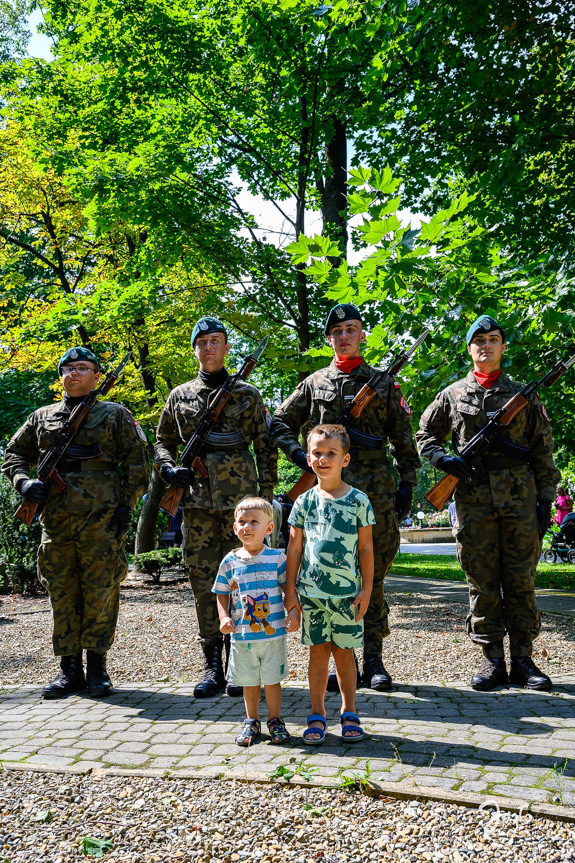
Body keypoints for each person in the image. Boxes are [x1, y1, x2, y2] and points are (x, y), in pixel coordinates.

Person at [270, 303, 419, 691]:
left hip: (375, 490)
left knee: (375, 572)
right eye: (337, 331)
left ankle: (374, 659)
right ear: (329, 339)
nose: (345, 336)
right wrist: (299, 455)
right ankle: (342, 659)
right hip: (324, 495)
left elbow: (404, 439)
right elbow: (278, 422)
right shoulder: (314, 383)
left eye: (352, 329)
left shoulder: (384, 384)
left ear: (362, 334)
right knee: (331, 572)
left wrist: (407, 484)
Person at [417, 315, 560, 691]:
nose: (486, 345)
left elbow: (542, 451)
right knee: (481, 580)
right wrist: (440, 460)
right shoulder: (451, 395)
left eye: (493, 339)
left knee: (521, 580)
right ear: (469, 349)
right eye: (478, 340)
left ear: (503, 347)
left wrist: (545, 499)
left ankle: (524, 660)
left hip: (519, 499)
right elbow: (424, 434)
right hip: (472, 499)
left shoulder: (524, 396)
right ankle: (492, 660)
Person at [2, 347, 149, 698]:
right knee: (62, 593)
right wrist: (24, 483)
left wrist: (126, 505)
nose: (74, 374)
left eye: (83, 368)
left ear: (96, 376)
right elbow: (13, 455)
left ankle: (97, 668)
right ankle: (69, 670)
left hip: (102, 518)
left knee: (101, 591)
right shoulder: (42, 417)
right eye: (67, 368)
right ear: (61, 376)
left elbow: (137, 462)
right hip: (57, 520)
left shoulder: (115, 415)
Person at [155, 317, 277, 698]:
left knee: (248, 582)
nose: (209, 347)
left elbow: (265, 444)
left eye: (216, 341)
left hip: (243, 508)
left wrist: (268, 496)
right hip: (197, 505)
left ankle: (240, 666)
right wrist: (168, 468)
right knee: (205, 583)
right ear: (195, 349)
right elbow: (162, 440)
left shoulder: (247, 394)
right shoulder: (179, 396)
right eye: (202, 341)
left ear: (226, 348)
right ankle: (211, 665)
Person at [285, 424, 374, 744]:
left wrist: (367, 589)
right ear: (308, 458)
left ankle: (350, 711)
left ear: (345, 459)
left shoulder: (359, 501)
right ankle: (317, 714)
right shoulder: (303, 502)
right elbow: (294, 548)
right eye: (317, 453)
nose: (323, 459)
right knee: (318, 654)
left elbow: (365, 548)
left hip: (348, 595)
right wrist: (290, 592)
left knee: (346, 654)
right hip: (312, 595)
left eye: (331, 453)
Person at [213, 497, 297, 746]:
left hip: (273, 635)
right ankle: (252, 721)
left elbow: (288, 589)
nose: (246, 527)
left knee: (272, 680)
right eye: (241, 522)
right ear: (234, 527)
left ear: (269, 528)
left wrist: (293, 612)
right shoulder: (229, 561)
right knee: (249, 682)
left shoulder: (277, 559)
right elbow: (221, 592)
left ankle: (275, 720)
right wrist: (224, 616)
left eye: (253, 522)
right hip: (243, 636)